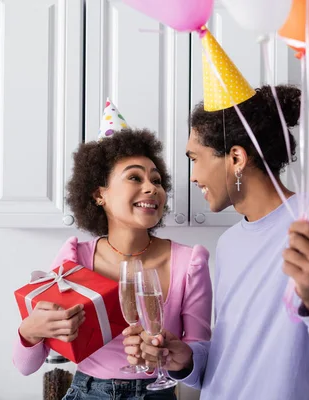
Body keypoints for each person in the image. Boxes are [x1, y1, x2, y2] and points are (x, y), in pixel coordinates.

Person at [125, 84, 309, 399]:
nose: (193, 176)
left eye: (195, 159)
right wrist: (187, 360)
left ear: (236, 157)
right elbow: (233, 358)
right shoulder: (229, 244)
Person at [13, 100, 213, 400]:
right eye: (135, 177)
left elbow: (199, 371)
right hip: (87, 391)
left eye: (156, 180)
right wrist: (30, 331)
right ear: (98, 194)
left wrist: (179, 356)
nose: (152, 188)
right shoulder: (75, 258)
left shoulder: (190, 262)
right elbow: (26, 366)